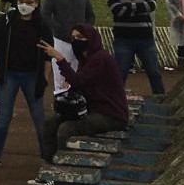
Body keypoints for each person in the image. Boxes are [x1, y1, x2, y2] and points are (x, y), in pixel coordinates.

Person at [0, 0, 52, 170]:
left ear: (36, 4)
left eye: (29, 3)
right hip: (9, 74)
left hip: (32, 76)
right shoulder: (5, 21)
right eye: (21, 1)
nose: (24, 6)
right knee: (4, 116)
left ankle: (46, 155)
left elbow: (47, 54)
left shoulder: (42, 25)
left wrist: (44, 78)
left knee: (38, 116)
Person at [39, 25, 129, 163]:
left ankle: (65, 165)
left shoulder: (100, 58)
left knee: (66, 129)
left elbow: (79, 81)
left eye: (80, 37)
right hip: (91, 110)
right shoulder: (85, 60)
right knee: (50, 124)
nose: (76, 41)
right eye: (74, 37)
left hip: (110, 114)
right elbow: (81, 84)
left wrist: (60, 59)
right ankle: (49, 163)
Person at [109, 0, 167, 95]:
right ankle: (115, 101)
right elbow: (116, 10)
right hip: (123, 40)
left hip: (145, 40)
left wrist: (128, 6)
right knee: (120, 73)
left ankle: (160, 98)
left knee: (154, 72)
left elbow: (151, 6)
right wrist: (139, 6)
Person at [42, 0, 96, 93]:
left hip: (80, 41)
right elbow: (45, 14)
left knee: (81, 71)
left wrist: (86, 31)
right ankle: (61, 100)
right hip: (61, 40)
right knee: (60, 73)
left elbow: (91, 15)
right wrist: (57, 28)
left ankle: (79, 100)